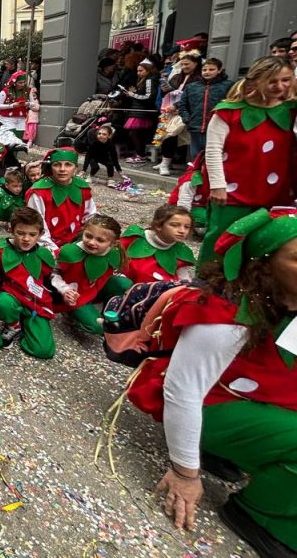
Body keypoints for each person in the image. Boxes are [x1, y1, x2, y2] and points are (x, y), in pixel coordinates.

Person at [128, 208, 297, 556]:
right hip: (213, 405)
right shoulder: (228, 313)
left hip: (261, 397)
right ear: (264, 263)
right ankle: (258, 515)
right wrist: (185, 474)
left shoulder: (287, 297)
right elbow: (182, 391)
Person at [199, 56, 296, 264]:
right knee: (222, 240)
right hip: (233, 191)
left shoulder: (291, 110)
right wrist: (217, 185)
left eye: (286, 80)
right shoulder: (228, 112)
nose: (280, 86)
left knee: (268, 245)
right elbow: (213, 149)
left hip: (276, 192)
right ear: (255, 81)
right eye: (272, 81)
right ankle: (208, 286)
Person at [0, 206, 58, 358]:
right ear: (11, 230)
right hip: (9, 301)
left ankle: (27, 326)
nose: (26, 239)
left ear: (41, 234)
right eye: (20, 233)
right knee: (3, 300)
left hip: (35, 303)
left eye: (32, 234)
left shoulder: (44, 255)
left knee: (44, 351)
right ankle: (13, 324)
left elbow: (48, 283)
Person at [50, 214, 131, 335]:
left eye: (100, 240)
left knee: (124, 283)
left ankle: (109, 313)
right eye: (88, 236)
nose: (92, 242)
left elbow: (111, 273)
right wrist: (64, 290)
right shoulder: (70, 252)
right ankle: (71, 314)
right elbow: (51, 271)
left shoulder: (114, 253)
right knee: (97, 328)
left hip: (93, 290)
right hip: (74, 295)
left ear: (112, 243)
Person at [25, 148, 97, 251]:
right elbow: (35, 225)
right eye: (57, 164)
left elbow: (90, 216)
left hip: (77, 242)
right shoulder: (39, 192)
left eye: (68, 164)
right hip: (46, 244)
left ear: (75, 168)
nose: (62, 169)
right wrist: (54, 250)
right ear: (51, 167)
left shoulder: (82, 187)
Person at [120, 205, 196, 284]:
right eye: (175, 225)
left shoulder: (182, 251)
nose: (182, 231)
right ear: (159, 225)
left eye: (187, 227)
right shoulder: (134, 238)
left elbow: (184, 280)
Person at [176, 57, 232, 161]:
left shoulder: (228, 85)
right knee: (196, 158)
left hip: (216, 129)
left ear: (219, 70)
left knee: (214, 159)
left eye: (211, 69)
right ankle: (196, 176)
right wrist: (187, 119)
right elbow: (183, 105)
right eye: (204, 70)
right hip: (195, 128)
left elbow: (232, 105)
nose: (207, 72)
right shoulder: (192, 86)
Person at [119, 59, 158, 163]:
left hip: (142, 111)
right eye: (138, 71)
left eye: (141, 71)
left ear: (148, 70)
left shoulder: (149, 80)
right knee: (137, 134)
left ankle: (140, 155)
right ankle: (140, 154)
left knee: (136, 134)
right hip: (138, 110)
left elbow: (149, 96)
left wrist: (133, 95)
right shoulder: (143, 80)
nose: (138, 73)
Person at [0, 168, 26, 233]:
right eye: (15, 186)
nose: (18, 189)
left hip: (12, 214)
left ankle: (12, 223)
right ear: (6, 185)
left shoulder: (22, 193)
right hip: (2, 212)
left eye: (20, 186)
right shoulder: (0, 190)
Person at [0, 71, 30, 139]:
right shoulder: (5, 91)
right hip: (7, 117)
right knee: (11, 135)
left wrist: (27, 104)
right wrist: (12, 105)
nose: (22, 84)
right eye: (20, 82)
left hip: (21, 117)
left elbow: (33, 104)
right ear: (14, 83)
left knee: (19, 136)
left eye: (24, 82)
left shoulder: (27, 91)